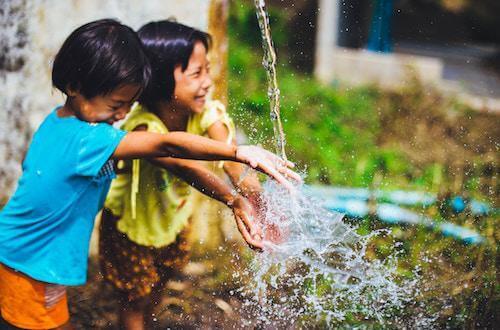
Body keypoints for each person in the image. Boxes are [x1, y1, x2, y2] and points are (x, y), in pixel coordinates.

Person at [0, 19, 298, 330]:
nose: (121, 116)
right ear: (74, 87)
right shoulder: (89, 139)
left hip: (24, 252)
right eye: (116, 104)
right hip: (30, 262)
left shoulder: (59, 122)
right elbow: (167, 144)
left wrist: (239, 189)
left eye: (127, 105)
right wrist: (238, 152)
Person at [98, 20, 268, 329]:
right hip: (131, 225)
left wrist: (255, 197)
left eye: (207, 69)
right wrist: (232, 200)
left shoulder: (205, 112)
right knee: (134, 298)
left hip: (174, 218)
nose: (207, 81)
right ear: (161, 80)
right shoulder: (142, 126)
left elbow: (230, 156)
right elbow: (184, 166)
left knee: (161, 281)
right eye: (196, 73)